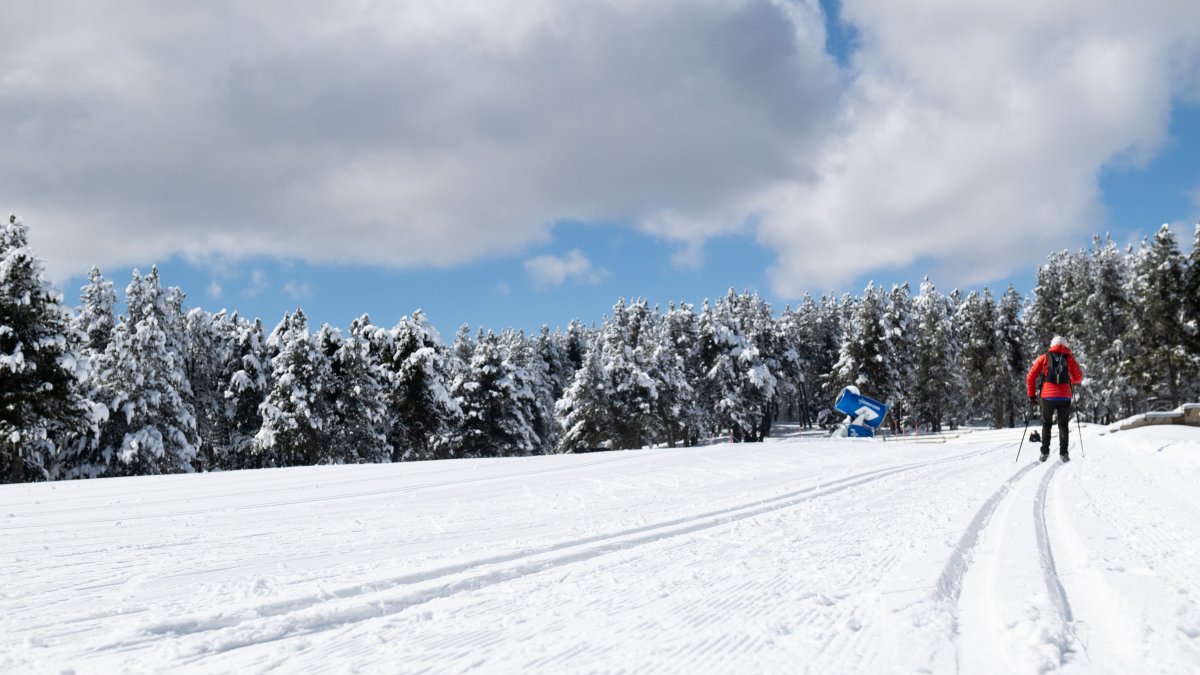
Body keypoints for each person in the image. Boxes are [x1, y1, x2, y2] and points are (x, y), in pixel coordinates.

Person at [1026, 336, 1084, 462]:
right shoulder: (1069, 359)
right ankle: (1064, 454)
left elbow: (1030, 377)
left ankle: (1044, 453)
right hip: (1065, 396)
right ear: (1065, 345)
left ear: (1052, 345)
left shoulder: (1044, 358)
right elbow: (1079, 377)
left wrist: (1032, 396)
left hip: (1048, 396)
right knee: (1063, 425)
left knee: (1046, 424)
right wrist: (1071, 381)